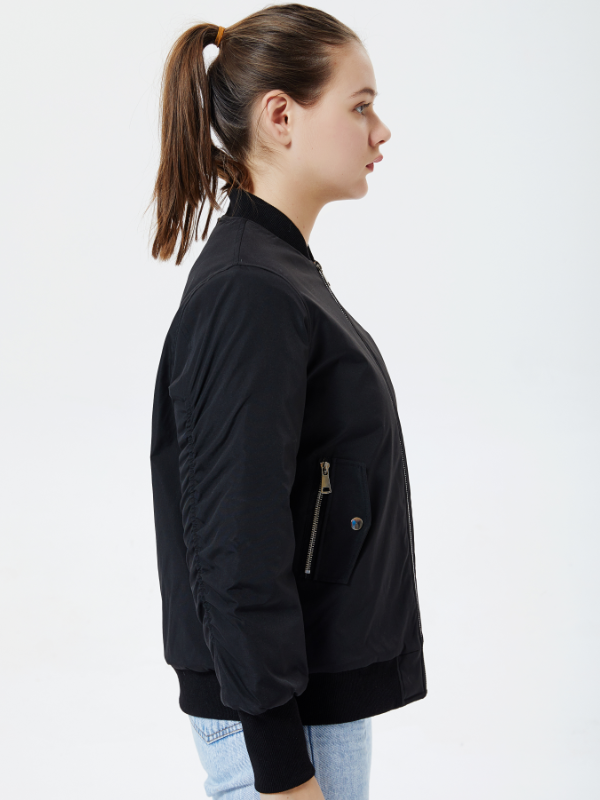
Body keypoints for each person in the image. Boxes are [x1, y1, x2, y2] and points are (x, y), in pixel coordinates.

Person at [148, 4, 427, 799]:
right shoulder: (251, 288)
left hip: (299, 695)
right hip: (279, 717)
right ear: (281, 117)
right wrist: (279, 765)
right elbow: (233, 537)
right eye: (360, 105)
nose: (381, 131)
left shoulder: (276, 273)